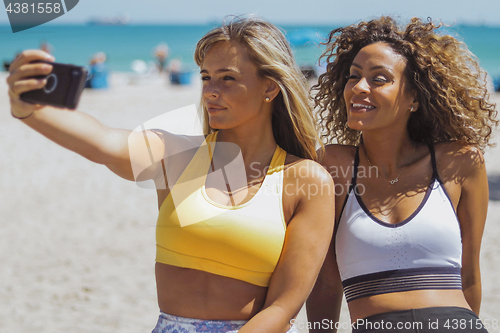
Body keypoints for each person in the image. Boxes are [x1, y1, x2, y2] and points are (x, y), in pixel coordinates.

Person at [7, 17, 335, 333]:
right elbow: (105, 142)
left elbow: (282, 308)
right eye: (206, 77)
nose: (210, 91)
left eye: (227, 78)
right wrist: (30, 109)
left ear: (270, 88)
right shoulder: (177, 156)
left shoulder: (307, 181)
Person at [306, 16, 497, 332]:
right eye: (353, 77)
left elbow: (469, 275)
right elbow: (325, 281)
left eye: (379, 79)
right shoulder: (332, 166)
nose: (359, 88)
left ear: (414, 98)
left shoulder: (459, 162)